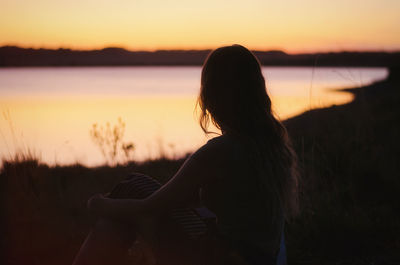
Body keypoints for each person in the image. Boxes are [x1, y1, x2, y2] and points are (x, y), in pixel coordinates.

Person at [72, 44, 299, 265]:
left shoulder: (222, 150)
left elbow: (149, 207)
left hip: (225, 258)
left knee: (133, 190)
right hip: (258, 257)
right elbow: (237, 205)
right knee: (137, 186)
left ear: (212, 94)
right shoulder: (271, 146)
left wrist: (99, 204)